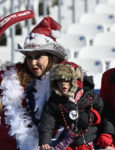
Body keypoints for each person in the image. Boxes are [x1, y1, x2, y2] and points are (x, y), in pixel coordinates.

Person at [0, 16, 68, 150]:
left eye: (38, 57)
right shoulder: (12, 76)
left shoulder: (63, 79)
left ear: (51, 57)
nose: (32, 63)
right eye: (29, 58)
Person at [38, 61, 115, 150]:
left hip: (91, 143)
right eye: (60, 80)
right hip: (67, 145)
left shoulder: (90, 97)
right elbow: (47, 124)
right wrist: (45, 142)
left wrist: (106, 134)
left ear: (75, 81)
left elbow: (107, 113)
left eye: (67, 80)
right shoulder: (54, 102)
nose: (63, 84)